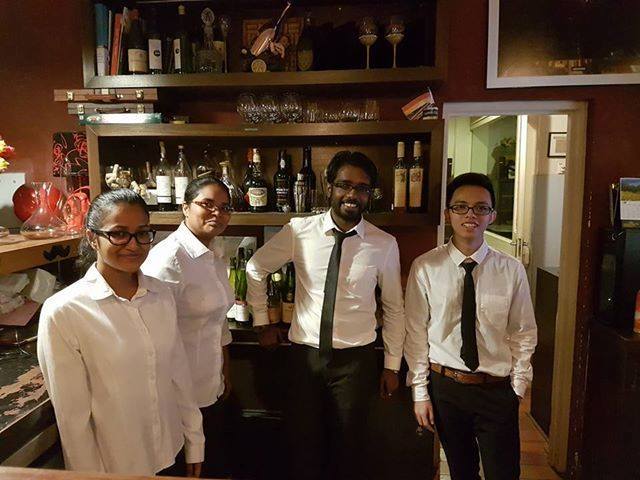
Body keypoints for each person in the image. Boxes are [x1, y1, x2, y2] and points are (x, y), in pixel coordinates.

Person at [246, 151, 406, 480]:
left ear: (370, 194)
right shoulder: (299, 231)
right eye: (344, 185)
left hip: (356, 363)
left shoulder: (384, 244)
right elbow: (256, 267)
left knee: (349, 450)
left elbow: (393, 307)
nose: (352, 194)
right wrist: (262, 322)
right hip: (304, 359)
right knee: (303, 446)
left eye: (362, 188)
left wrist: (392, 365)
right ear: (329, 186)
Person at [37, 189, 204, 476]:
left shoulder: (161, 294)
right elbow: (73, 419)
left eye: (142, 233)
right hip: (117, 466)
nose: (133, 244)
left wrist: (195, 441)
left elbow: (178, 374)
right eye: (118, 234)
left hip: (171, 450)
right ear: (92, 237)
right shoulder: (64, 311)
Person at [404, 172, 538, 480]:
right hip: (446, 388)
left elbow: (523, 332)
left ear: (492, 215)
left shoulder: (511, 270)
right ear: (447, 213)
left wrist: (518, 387)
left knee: (504, 473)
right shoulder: (425, 267)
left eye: (481, 208)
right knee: (462, 472)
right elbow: (416, 333)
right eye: (461, 207)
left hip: (496, 389)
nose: (470, 215)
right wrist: (420, 393)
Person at [142, 177, 234, 478]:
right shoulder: (168, 259)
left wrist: (225, 371)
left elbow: (218, 321)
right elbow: (153, 333)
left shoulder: (213, 254)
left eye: (224, 207)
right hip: (177, 395)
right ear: (184, 207)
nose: (217, 213)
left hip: (211, 386)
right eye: (207, 204)